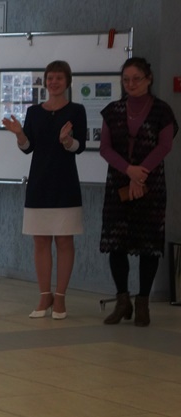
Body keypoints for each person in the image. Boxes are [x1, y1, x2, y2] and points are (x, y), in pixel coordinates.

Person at [1, 60, 87, 319]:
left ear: (67, 81)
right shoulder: (34, 112)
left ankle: (60, 297)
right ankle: (44, 295)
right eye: (50, 78)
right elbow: (28, 147)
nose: (54, 82)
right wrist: (19, 134)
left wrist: (67, 140)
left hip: (65, 183)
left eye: (59, 78)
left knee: (64, 240)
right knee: (40, 241)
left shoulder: (76, 110)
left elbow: (80, 146)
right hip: (39, 183)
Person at [98, 57, 178, 327]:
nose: (131, 84)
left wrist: (140, 173)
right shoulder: (113, 110)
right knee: (116, 243)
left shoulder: (162, 111)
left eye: (136, 79)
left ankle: (143, 302)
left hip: (150, 186)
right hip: (118, 184)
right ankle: (123, 301)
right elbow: (105, 148)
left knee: (148, 245)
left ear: (148, 79)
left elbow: (164, 146)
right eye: (126, 80)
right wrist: (128, 170)